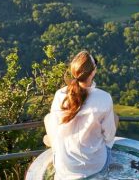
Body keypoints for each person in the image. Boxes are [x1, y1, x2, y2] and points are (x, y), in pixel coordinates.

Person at [44, 50, 118, 180]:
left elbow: (55, 127)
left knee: (48, 118)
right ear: (93, 71)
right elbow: (109, 135)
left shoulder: (60, 95)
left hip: (65, 166)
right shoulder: (104, 98)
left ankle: (53, 143)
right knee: (114, 118)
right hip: (95, 165)